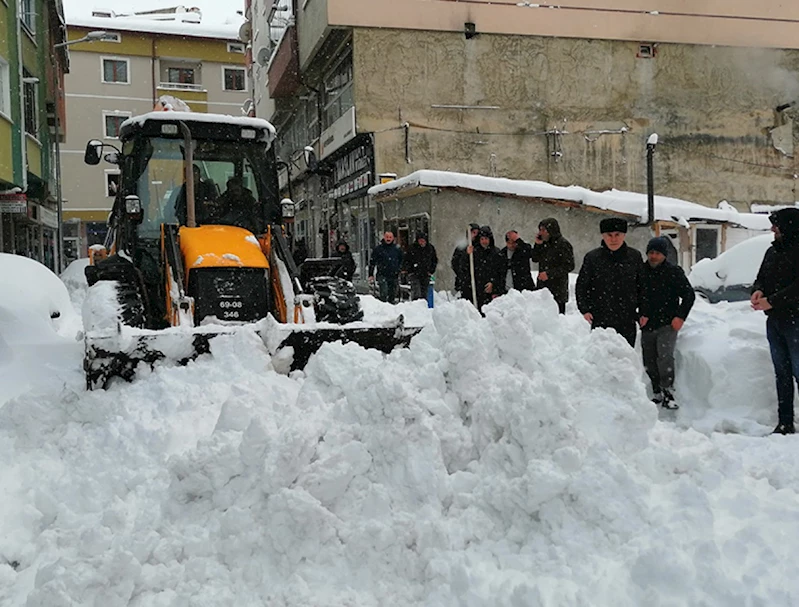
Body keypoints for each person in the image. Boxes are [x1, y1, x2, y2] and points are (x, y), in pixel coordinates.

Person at [751, 208, 799, 435]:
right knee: (782, 373)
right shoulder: (772, 251)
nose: (773, 229)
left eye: (776, 225)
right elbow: (761, 277)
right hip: (775, 321)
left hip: (796, 320)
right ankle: (785, 422)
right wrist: (758, 291)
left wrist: (774, 301)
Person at [639, 236, 695, 409]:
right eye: (651, 253)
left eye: (657, 253)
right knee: (649, 359)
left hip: (668, 323)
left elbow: (688, 295)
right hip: (647, 324)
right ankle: (656, 390)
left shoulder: (674, 272)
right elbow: (634, 296)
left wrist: (680, 317)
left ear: (664, 255)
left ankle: (668, 392)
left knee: (664, 358)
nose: (653, 256)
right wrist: (640, 314)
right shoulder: (640, 271)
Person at [576, 217, 643, 347]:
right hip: (601, 318)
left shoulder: (634, 257)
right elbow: (582, 285)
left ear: (624, 235)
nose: (613, 239)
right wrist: (585, 309)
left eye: (617, 234)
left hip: (627, 319)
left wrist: (642, 312)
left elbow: (643, 286)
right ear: (603, 236)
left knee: (625, 359)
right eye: (609, 235)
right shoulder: (593, 258)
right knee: (602, 358)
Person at [531, 218, 575, 314]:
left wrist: (549, 274)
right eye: (540, 230)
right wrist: (538, 245)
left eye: (544, 230)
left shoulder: (563, 244)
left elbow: (569, 265)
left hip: (557, 290)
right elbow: (535, 258)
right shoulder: (544, 244)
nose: (541, 233)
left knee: (556, 319)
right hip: (542, 289)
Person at [465, 225, 506, 311]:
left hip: (491, 294)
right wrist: (467, 255)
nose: (484, 242)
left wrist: (494, 285)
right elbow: (464, 268)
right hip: (476, 292)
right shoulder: (474, 253)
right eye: (482, 239)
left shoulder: (497, 253)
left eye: (486, 239)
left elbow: (501, 272)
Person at [368, 231, 404, 303]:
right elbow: (372, 262)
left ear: (393, 238)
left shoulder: (397, 249)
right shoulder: (378, 249)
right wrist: (371, 274)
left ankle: (391, 307)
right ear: (384, 238)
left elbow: (402, 260)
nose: (388, 239)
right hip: (382, 274)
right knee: (384, 292)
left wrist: (400, 269)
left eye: (390, 237)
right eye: (387, 237)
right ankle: (383, 306)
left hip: (394, 274)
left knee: (392, 293)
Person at [403, 232, 438, 300]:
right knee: (416, 292)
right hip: (414, 274)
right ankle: (417, 306)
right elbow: (406, 260)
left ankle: (424, 306)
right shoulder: (412, 248)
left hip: (426, 274)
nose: (422, 242)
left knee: (424, 292)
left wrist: (431, 270)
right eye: (420, 240)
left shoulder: (430, 248)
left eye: (423, 240)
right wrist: (410, 271)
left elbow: (434, 260)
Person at [451, 223, 480, 297]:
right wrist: (463, 276)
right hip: (464, 283)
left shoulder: (480, 248)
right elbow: (455, 263)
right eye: (473, 233)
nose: (475, 235)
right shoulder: (461, 248)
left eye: (477, 233)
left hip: (478, 283)